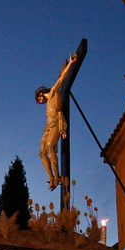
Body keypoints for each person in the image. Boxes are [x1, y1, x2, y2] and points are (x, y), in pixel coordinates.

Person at [36, 52, 78, 190]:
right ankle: (51, 178)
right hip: (48, 126)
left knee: (50, 147)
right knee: (42, 153)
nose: (40, 101)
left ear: (41, 93)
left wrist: (71, 63)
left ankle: (57, 175)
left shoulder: (54, 92)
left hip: (55, 123)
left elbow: (61, 79)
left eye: (40, 99)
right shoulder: (48, 103)